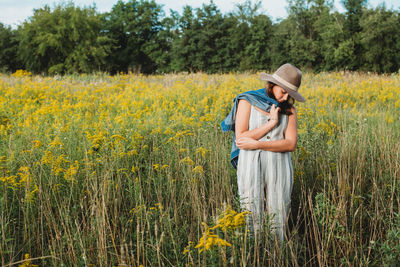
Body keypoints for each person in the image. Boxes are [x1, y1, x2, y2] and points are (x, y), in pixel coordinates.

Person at [220, 63, 305, 240]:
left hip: (279, 164)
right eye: (283, 91)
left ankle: (277, 257)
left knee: (278, 214)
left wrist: (258, 144)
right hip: (250, 163)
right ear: (272, 84)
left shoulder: (289, 110)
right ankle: (255, 255)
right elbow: (241, 138)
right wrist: (271, 124)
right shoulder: (247, 100)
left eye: (290, 93)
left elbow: (290, 144)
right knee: (251, 211)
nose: (286, 96)